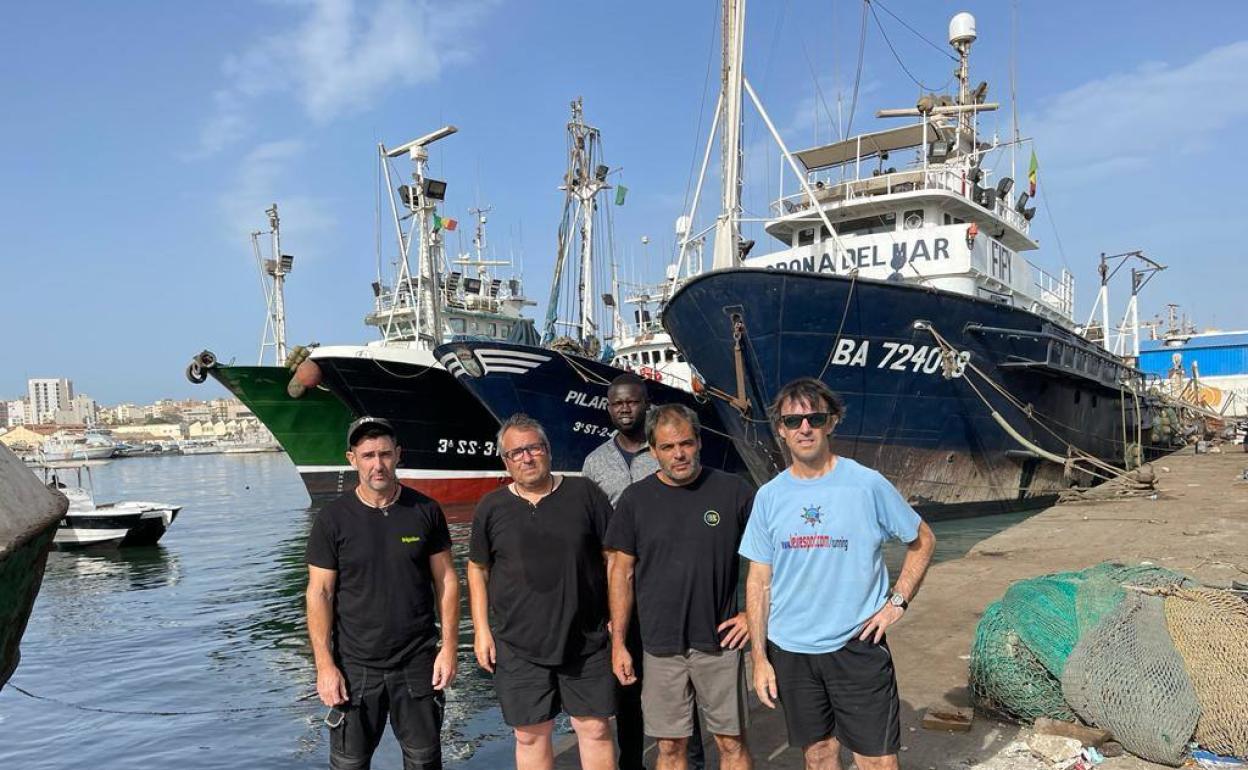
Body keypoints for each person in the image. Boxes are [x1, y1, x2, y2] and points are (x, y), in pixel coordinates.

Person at [739, 378, 936, 770]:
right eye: (793, 421)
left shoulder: (866, 484)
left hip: (856, 645)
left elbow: (923, 539)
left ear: (831, 422)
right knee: (818, 756)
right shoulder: (769, 497)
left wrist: (896, 602)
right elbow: (759, 580)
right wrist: (760, 658)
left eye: (815, 418)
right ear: (780, 429)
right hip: (791, 650)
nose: (805, 428)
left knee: (877, 761)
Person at [606, 404, 755, 770]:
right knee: (670, 748)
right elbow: (620, 574)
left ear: (699, 442)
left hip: (719, 642)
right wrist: (619, 644)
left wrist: (752, 614)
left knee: (731, 743)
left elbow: (769, 560)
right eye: (669, 447)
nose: (679, 454)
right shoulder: (635, 501)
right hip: (659, 647)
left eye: (686, 443)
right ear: (653, 451)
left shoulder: (733, 492)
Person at [306, 416, 459, 770]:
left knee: (424, 761)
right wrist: (324, 664)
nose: (378, 464)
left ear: (398, 455)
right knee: (349, 763)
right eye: (368, 455)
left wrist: (449, 648)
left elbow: (447, 581)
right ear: (352, 459)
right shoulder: (332, 519)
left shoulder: (425, 511)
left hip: (418, 663)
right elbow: (320, 594)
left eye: (385, 454)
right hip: (355, 666)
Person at [467, 414, 617, 770]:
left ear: (548, 451)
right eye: (516, 452)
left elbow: (614, 558)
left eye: (534, 448)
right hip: (517, 645)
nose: (527, 458)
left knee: (594, 728)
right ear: (505, 461)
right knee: (530, 734)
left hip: (587, 639)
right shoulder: (491, 507)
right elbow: (477, 569)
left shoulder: (585, 494)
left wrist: (616, 617)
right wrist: (481, 631)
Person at [582, 374, 707, 770]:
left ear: (646, 404)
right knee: (626, 682)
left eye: (632, 402)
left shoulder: (665, 453)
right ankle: (632, 761)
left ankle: (696, 760)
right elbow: (591, 530)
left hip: (668, 583)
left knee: (685, 682)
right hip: (621, 584)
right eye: (616, 403)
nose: (624, 409)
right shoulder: (595, 462)